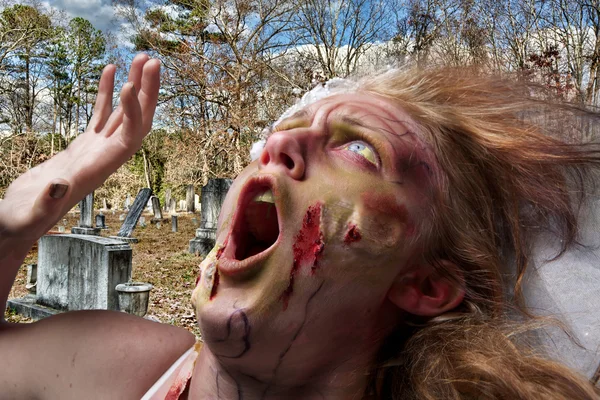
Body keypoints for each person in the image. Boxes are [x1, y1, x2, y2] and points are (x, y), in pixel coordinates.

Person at [0, 53, 599, 400]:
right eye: (288, 127)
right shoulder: (131, 368)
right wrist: (11, 230)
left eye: (361, 152)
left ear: (425, 284)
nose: (278, 142)